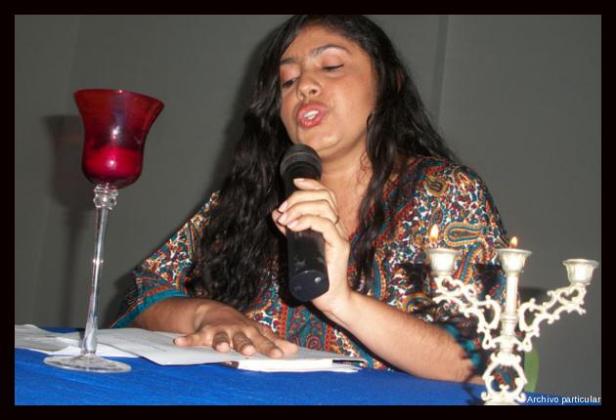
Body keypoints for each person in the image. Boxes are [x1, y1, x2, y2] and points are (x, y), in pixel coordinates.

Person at [111, 15, 509, 384]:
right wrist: (207, 313)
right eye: (287, 81)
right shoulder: (249, 198)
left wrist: (342, 302)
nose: (304, 86)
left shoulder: (445, 192)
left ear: (390, 82)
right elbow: (143, 294)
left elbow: (484, 359)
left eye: (331, 66)